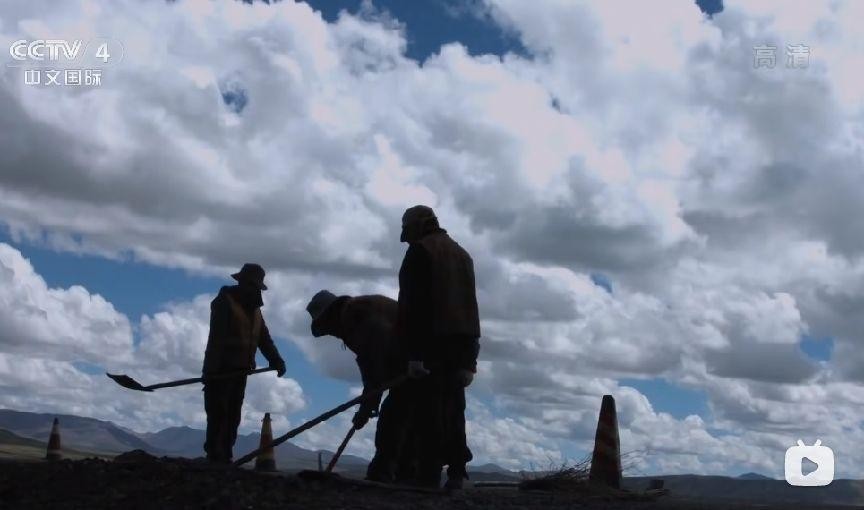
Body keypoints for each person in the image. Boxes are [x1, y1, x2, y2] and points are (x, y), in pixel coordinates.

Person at [397, 205, 481, 489]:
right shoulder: (462, 254)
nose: (406, 239)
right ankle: (457, 473)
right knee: (454, 411)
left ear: (417, 227)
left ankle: (427, 477)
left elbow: (413, 306)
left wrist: (414, 355)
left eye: (407, 232)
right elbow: (471, 308)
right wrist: (471, 359)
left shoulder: (421, 252)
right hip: (461, 346)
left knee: (427, 412)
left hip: (431, 344)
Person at [305, 290, 414, 483]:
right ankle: (398, 472)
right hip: (406, 366)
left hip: (417, 365)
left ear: (331, 315)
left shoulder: (361, 316)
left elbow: (376, 364)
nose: (330, 333)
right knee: (398, 417)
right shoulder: (352, 320)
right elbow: (370, 367)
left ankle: (390, 473)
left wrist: (368, 403)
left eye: (326, 327)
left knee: (394, 418)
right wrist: (367, 404)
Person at [202, 263, 287, 464]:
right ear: (242, 283)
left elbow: (264, 338)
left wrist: (276, 359)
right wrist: (210, 372)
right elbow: (216, 340)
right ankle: (215, 455)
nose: (254, 290)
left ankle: (225, 454)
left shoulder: (255, 311)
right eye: (251, 285)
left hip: (241, 371)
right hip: (221, 371)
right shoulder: (224, 303)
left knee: (233, 415)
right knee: (218, 412)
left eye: (256, 287)